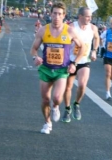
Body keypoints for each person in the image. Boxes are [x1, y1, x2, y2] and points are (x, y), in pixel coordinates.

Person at [30, 2, 85, 134]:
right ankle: (47, 123)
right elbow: (33, 49)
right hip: (46, 69)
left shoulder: (70, 30)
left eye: (59, 14)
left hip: (61, 70)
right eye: (54, 13)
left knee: (56, 98)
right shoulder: (43, 30)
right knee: (45, 99)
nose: (56, 16)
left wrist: (74, 63)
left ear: (64, 16)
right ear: (51, 14)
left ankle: (55, 107)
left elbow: (82, 47)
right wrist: (35, 57)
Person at [62, 7, 99, 123]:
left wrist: (94, 50)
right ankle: (67, 109)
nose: (89, 19)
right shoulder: (72, 28)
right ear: (80, 16)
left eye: (90, 16)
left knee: (82, 85)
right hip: (71, 61)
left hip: (84, 61)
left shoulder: (93, 28)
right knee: (68, 87)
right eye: (87, 16)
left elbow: (97, 38)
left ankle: (76, 103)